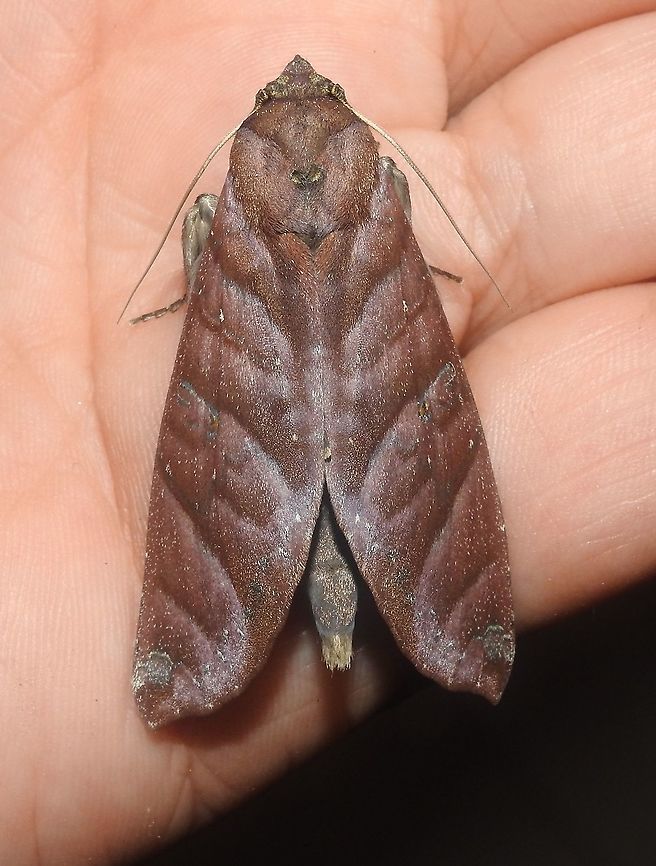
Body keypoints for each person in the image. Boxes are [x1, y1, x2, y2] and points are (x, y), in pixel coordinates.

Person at [2, 2, 655, 862]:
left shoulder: (224, 206)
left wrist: (198, 295)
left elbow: (201, 231)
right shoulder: (383, 187)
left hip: (236, 374)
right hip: (391, 343)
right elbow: (403, 202)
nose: (302, 73)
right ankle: (463, 627)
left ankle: (190, 652)